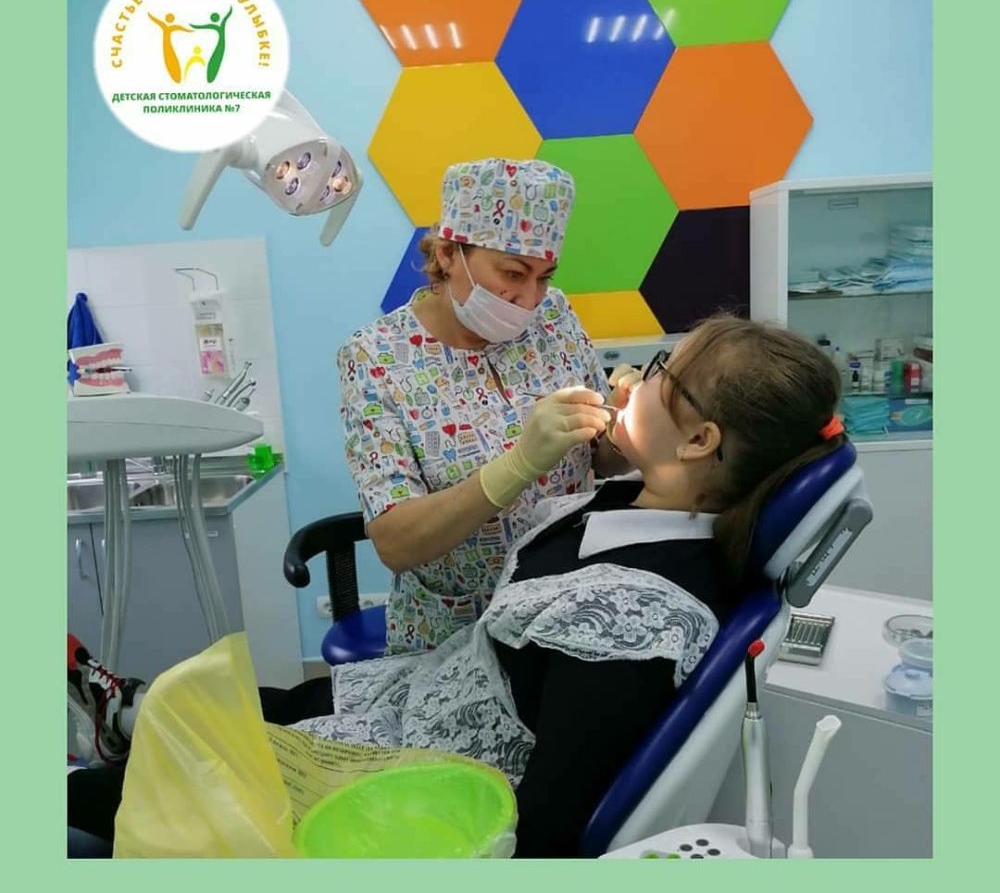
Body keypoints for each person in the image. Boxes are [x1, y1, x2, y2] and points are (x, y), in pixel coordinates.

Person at [68, 315, 845, 857]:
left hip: (424, 780)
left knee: (145, 780)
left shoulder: (633, 621)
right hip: (422, 691)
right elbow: (402, 538)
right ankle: (129, 713)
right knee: (227, 703)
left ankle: (87, 775)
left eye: (661, 371)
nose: (631, 378)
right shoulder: (628, 500)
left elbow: (544, 832)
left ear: (701, 439)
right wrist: (574, 451)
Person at [337, 157, 636, 655]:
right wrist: (515, 467)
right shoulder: (377, 358)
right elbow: (395, 542)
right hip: (455, 634)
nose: (529, 299)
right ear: (449, 253)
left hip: (563, 608)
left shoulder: (554, 319)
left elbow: (597, 458)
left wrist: (622, 431)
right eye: (513, 273)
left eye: (544, 277)